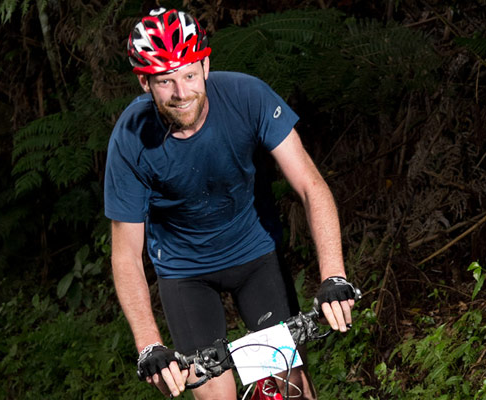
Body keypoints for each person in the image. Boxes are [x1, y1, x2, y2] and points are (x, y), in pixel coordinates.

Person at [104, 8, 359, 400]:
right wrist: (149, 345)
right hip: (185, 273)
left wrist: (334, 276)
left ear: (205, 65)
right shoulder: (131, 138)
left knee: (286, 388)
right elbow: (125, 256)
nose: (181, 92)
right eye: (165, 81)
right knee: (216, 395)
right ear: (144, 83)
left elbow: (311, 185)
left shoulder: (246, 96)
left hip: (255, 255)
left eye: (189, 74)